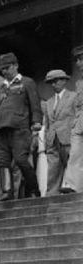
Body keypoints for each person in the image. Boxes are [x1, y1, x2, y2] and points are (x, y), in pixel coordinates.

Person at [0, 52, 43, 201]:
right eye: (2, 69)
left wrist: (36, 123)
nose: (4, 71)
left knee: (21, 160)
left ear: (15, 66)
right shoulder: (0, 88)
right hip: (2, 130)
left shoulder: (27, 82)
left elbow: (35, 104)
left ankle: (33, 189)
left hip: (20, 128)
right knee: (3, 162)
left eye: (7, 67)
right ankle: (7, 192)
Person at [42, 70, 76, 195]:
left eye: (55, 81)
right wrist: (47, 141)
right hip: (53, 140)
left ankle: (76, 194)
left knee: (73, 169)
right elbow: (47, 124)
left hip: (69, 138)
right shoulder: (48, 102)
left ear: (64, 81)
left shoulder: (73, 97)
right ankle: (52, 196)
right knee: (53, 170)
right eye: (50, 82)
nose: (53, 84)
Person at [68, 45, 83, 194]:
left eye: (81, 59)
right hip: (79, 122)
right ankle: (73, 186)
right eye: (77, 60)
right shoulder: (79, 83)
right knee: (75, 154)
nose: (79, 63)